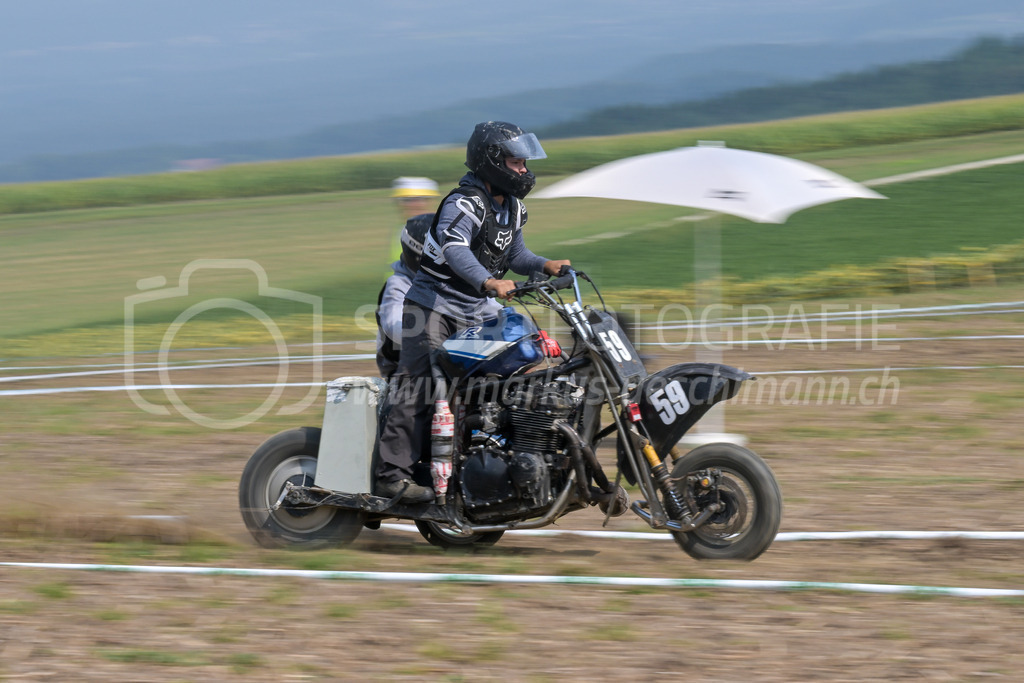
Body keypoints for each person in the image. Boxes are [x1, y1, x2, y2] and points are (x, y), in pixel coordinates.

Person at [376, 121, 570, 502]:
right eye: (516, 163)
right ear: (492, 161)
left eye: (524, 163)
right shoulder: (462, 203)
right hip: (432, 306)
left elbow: (515, 256)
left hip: (474, 309)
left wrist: (545, 265)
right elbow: (455, 249)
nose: (524, 170)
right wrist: (488, 282)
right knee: (419, 386)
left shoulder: (512, 208)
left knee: (516, 364)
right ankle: (390, 476)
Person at [375, 177, 440, 379]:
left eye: (417, 199)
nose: (412, 205)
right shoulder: (405, 234)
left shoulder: (439, 234)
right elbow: (398, 282)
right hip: (406, 306)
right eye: (406, 200)